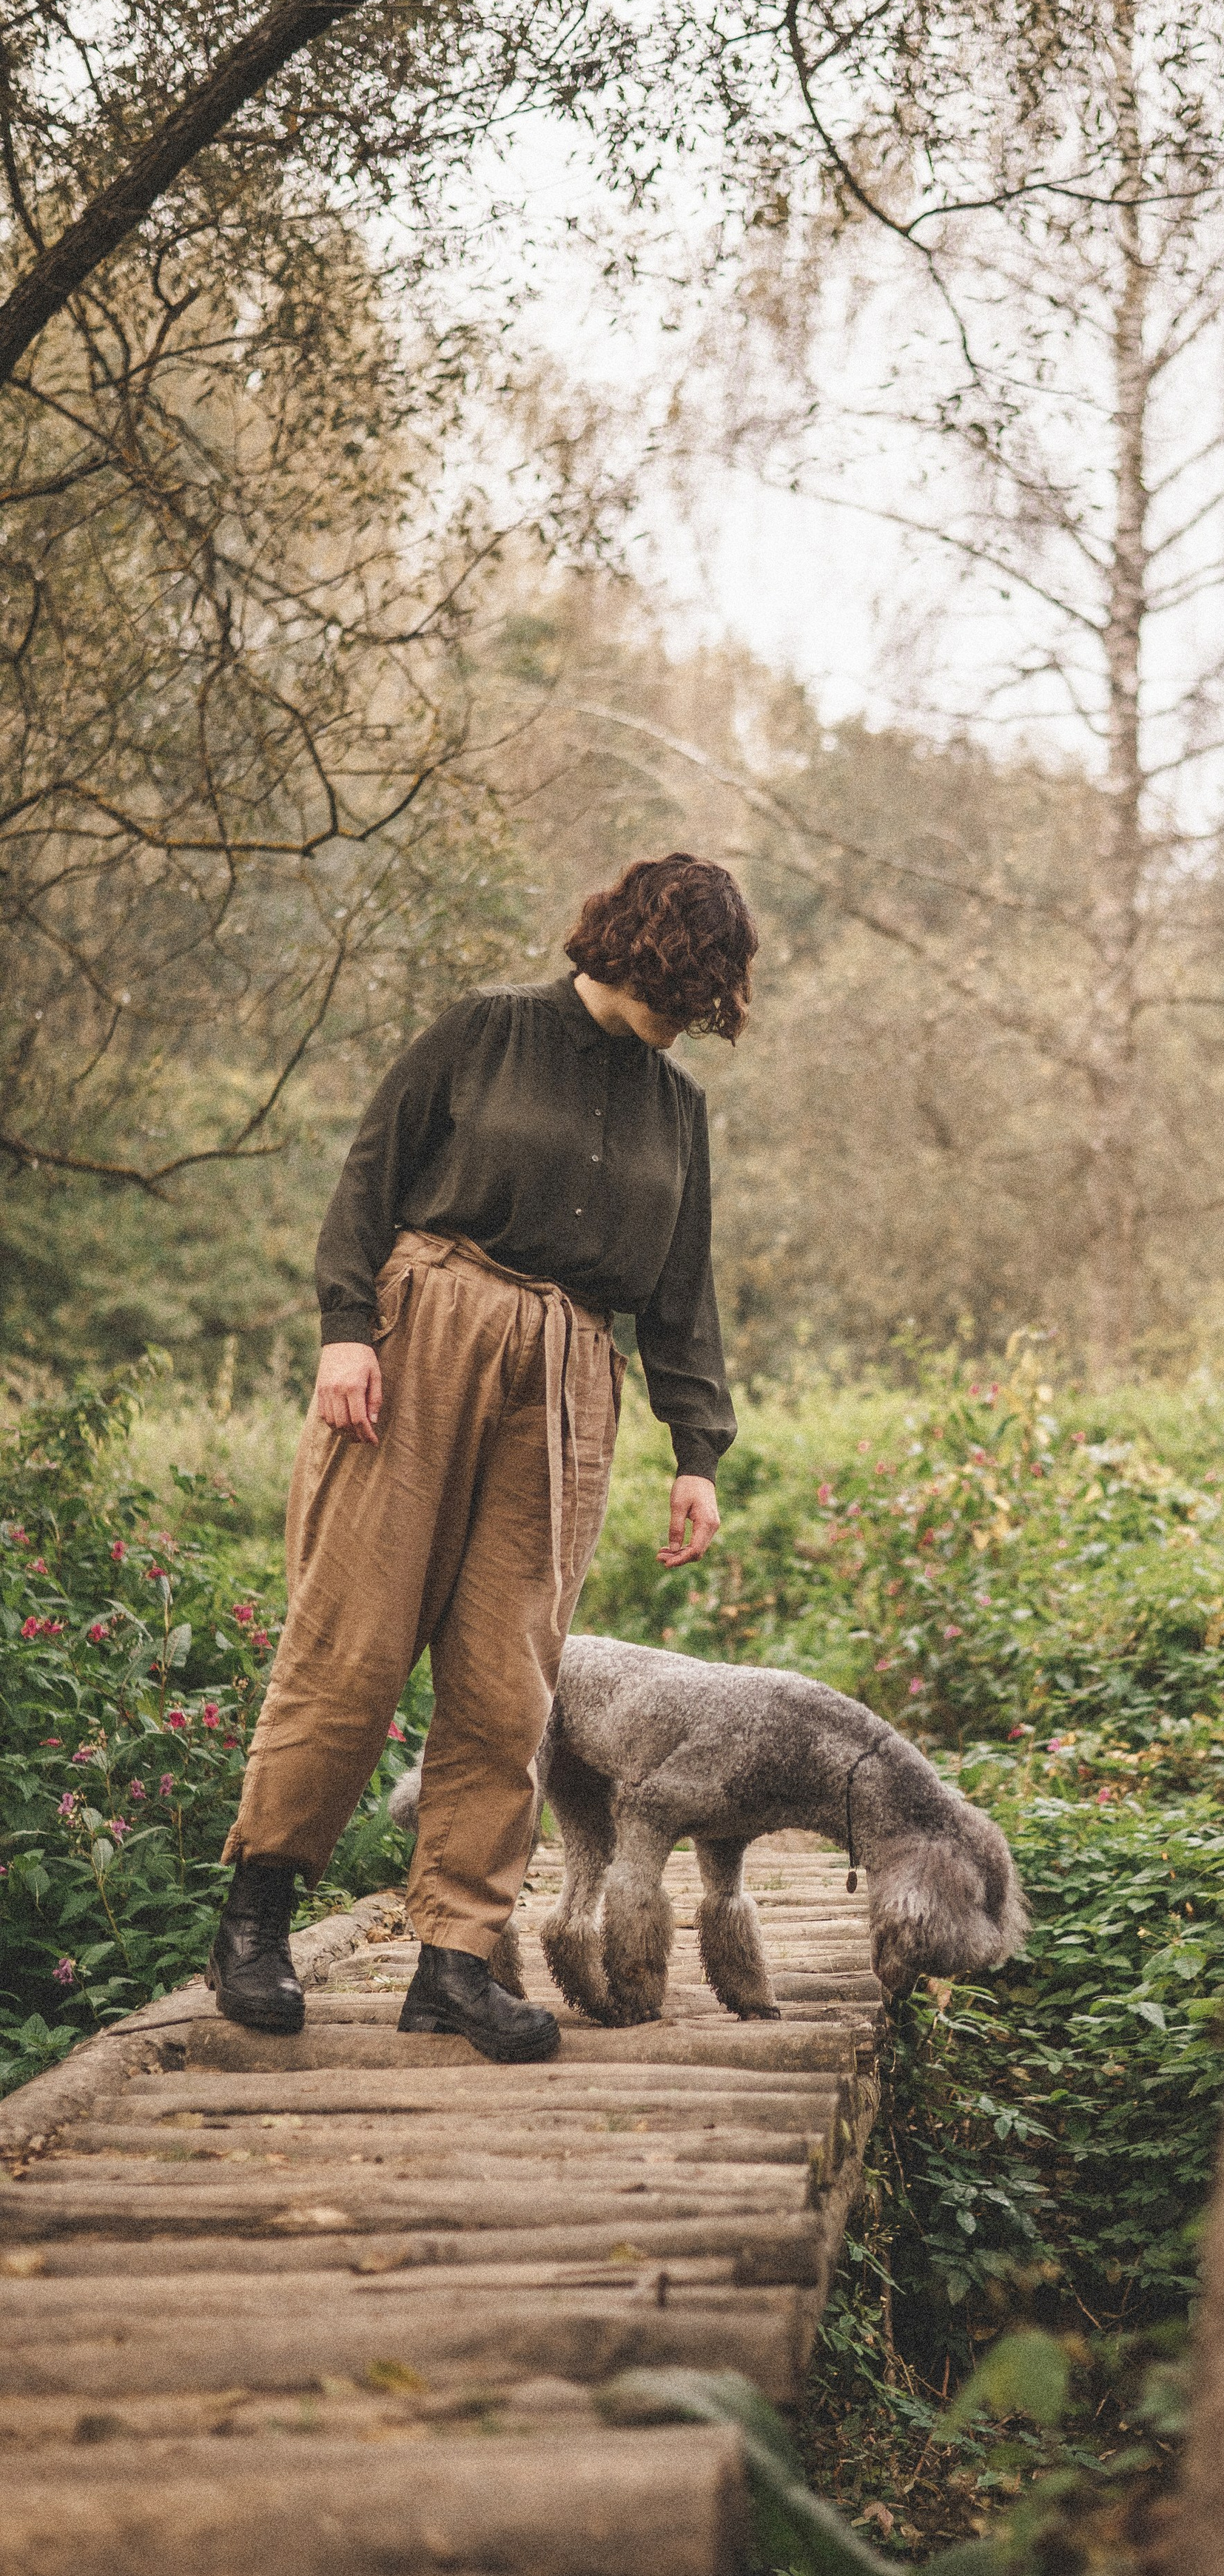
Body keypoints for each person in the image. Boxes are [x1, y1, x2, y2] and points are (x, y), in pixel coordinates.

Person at [206, 851, 756, 2061]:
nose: (687, 1017)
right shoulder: (488, 1033)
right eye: (683, 984)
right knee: (352, 1641)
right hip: (429, 1330)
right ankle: (253, 1918)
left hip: (569, 1376)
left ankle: (454, 1961)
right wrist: (347, 1332)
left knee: (512, 1681)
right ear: (633, 945)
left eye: (708, 998)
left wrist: (696, 1448)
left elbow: (683, 1290)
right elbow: (369, 1177)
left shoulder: (679, 1110)